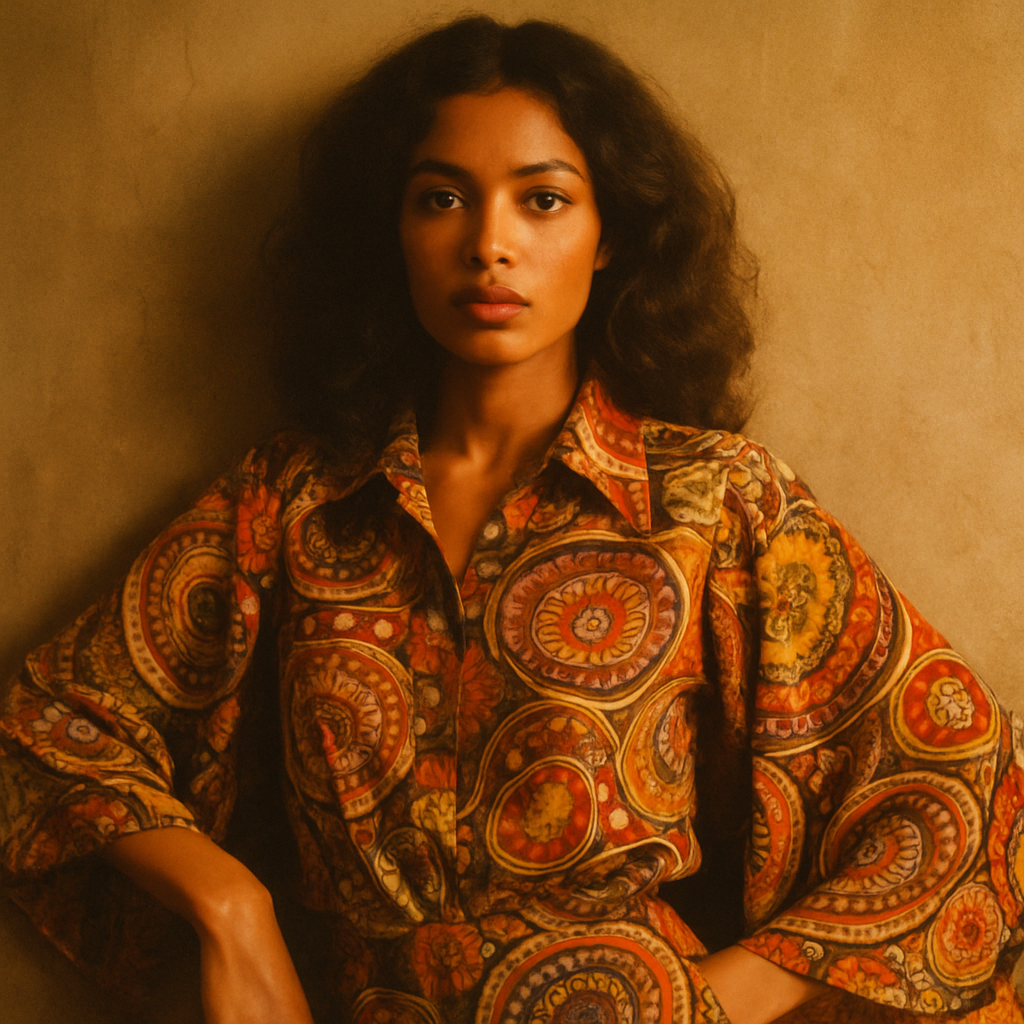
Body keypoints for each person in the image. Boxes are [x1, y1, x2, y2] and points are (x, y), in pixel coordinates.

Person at [1, 15, 1022, 1024]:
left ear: (609, 230)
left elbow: (963, 784)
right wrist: (230, 906)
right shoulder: (293, 501)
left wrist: (728, 994)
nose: (489, 245)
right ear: (391, 227)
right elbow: (47, 731)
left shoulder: (715, 501)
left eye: (542, 200)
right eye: (441, 198)